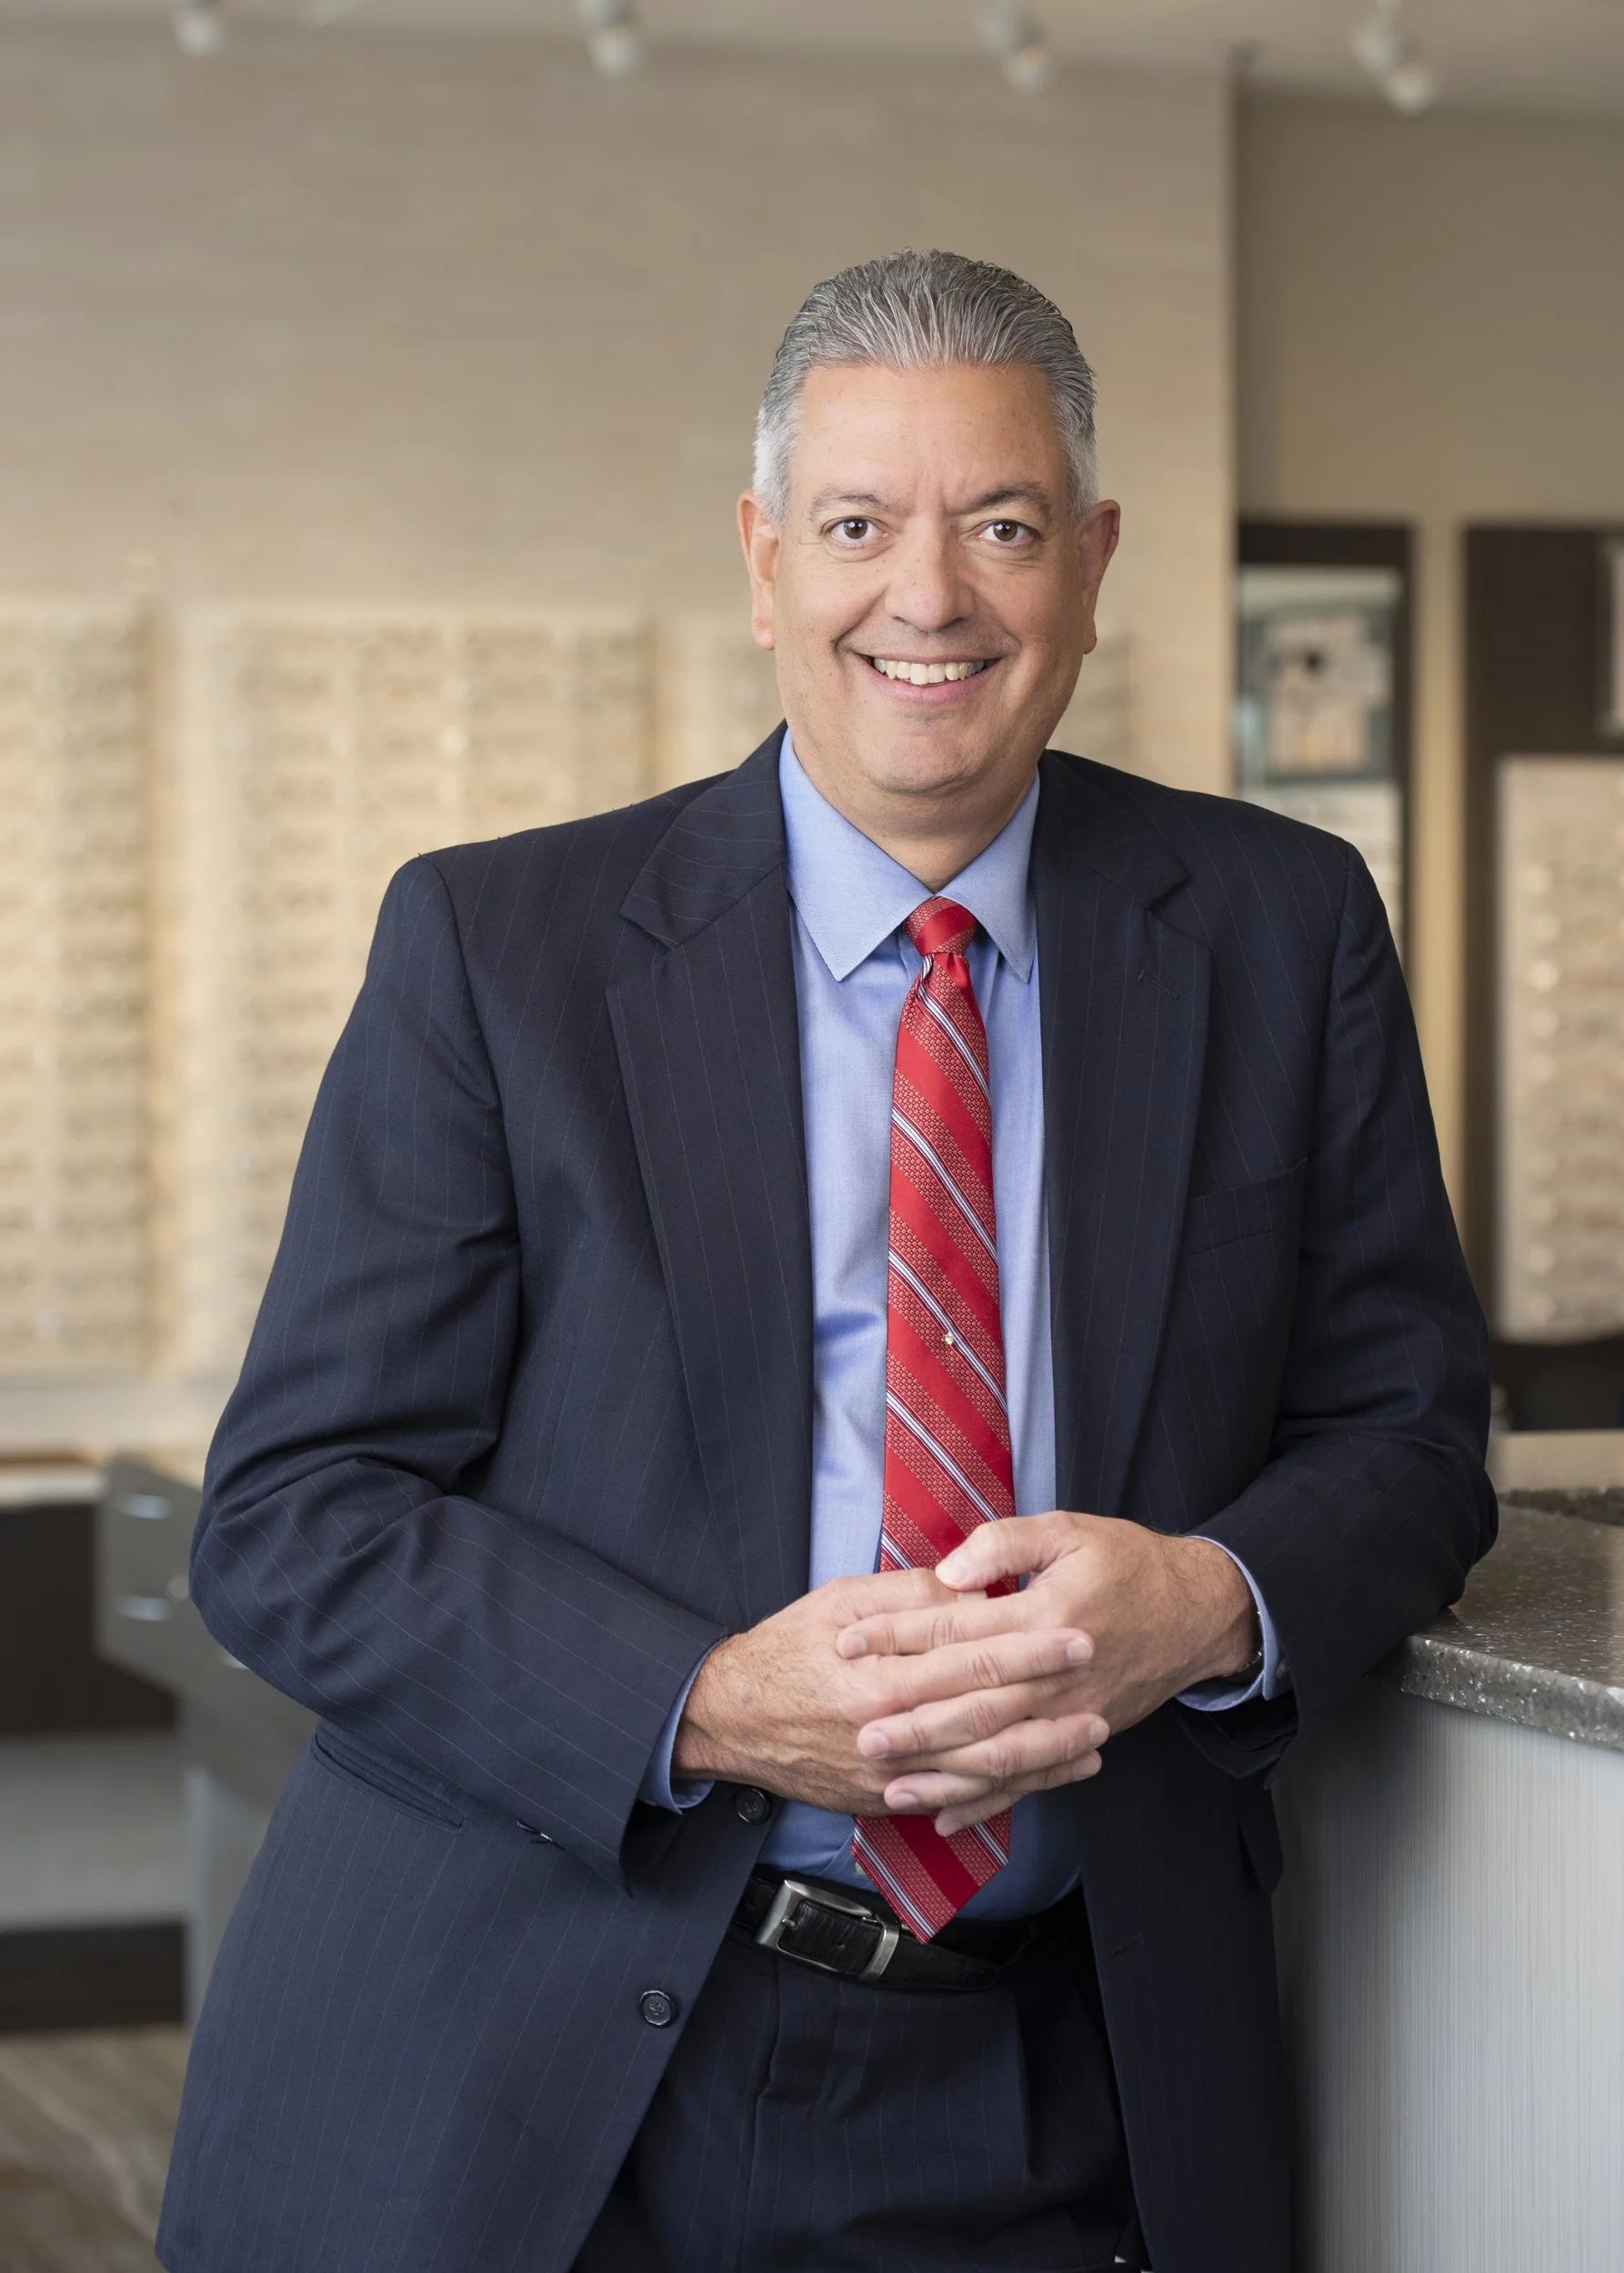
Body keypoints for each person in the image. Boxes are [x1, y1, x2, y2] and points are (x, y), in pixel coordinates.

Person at [156, 250, 1494, 2273]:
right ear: (765, 557)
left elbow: (1404, 1433)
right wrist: (694, 1700)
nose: (929, 594)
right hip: (517, 2071)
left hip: (1062, 2067)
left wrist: (1205, 1599)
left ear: (1093, 557)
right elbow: (291, 1517)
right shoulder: (498, 950)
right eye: (860, 524)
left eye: (1003, 524)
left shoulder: (1279, 926)